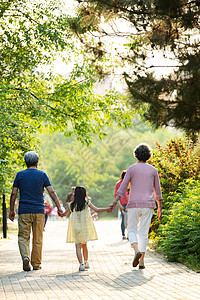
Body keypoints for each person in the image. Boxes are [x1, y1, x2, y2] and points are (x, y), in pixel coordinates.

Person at [9, 151, 63, 272]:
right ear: (37, 163)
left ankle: (25, 256)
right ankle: (36, 264)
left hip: (24, 211)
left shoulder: (20, 175)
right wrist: (59, 207)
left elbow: (13, 193)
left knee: (23, 236)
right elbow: (51, 192)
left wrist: (12, 210)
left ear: (26, 162)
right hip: (39, 211)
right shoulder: (42, 175)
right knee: (38, 237)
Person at [111, 143, 162, 269]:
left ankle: (136, 250)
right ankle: (142, 262)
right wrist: (159, 206)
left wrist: (115, 201)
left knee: (132, 230)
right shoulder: (153, 170)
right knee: (143, 233)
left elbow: (122, 188)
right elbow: (158, 190)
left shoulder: (131, 169)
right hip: (149, 205)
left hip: (133, 204)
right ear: (149, 156)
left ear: (136, 155)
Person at [60, 186, 112, 271]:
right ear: (84, 194)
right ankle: (86, 261)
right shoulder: (86, 203)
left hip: (75, 228)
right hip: (85, 227)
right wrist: (107, 209)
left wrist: (60, 212)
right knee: (84, 245)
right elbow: (97, 210)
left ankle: (81, 264)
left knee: (77, 246)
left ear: (75, 195)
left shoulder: (71, 205)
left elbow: (64, 214)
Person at [114, 170, 129, 240]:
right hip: (122, 204)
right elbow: (116, 195)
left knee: (130, 220)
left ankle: (129, 234)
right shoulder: (118, 184)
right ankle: (123, 235)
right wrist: (119, 204)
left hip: (130, 204)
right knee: (123, 219)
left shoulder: (130, 183)